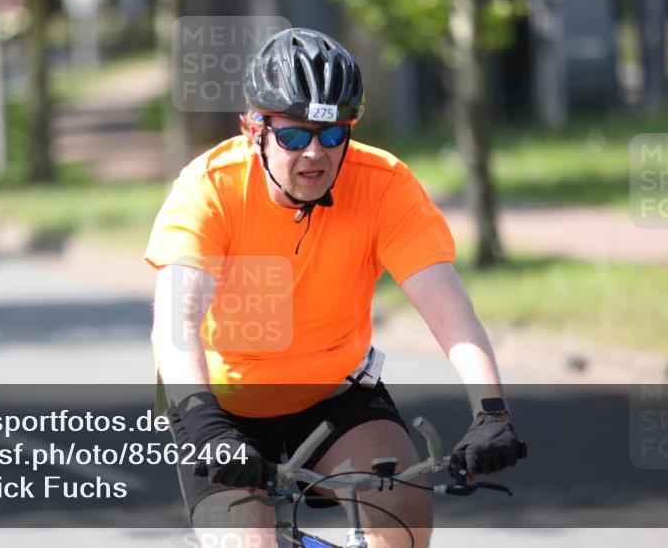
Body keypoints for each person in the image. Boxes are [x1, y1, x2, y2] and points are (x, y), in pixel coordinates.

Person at [146, 28, 524, 548]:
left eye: (333, 134)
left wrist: (491, 412)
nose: (315, 155)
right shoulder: (210, 188)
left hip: (334, 393)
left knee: (405, 514)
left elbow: (452, 314)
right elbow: (175, 325)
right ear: (253, 128)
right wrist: (207, 427)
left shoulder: (382, 184)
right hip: (220, 406)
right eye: (294, 136)